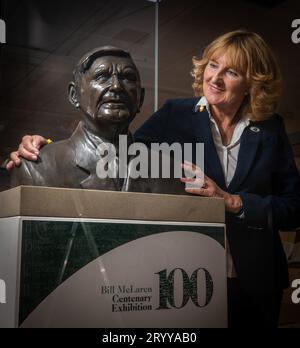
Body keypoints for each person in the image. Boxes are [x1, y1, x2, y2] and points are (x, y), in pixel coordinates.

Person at [7, 30, 300, 327]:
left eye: (232, 71)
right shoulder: (177, 115)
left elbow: (294, 208)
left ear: (253, 82)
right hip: (195, 282)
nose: (216, 78)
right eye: (213, 65)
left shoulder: (270, 128)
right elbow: (118, 146)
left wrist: (234, 202)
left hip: (259, 279)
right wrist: (44, 146)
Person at [9, 46, 185, 194]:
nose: (116, 86)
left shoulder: (171, 172)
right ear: (74, 95)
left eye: (128, 78)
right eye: (102, 76)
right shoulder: (36, 168)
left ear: (140, 99)